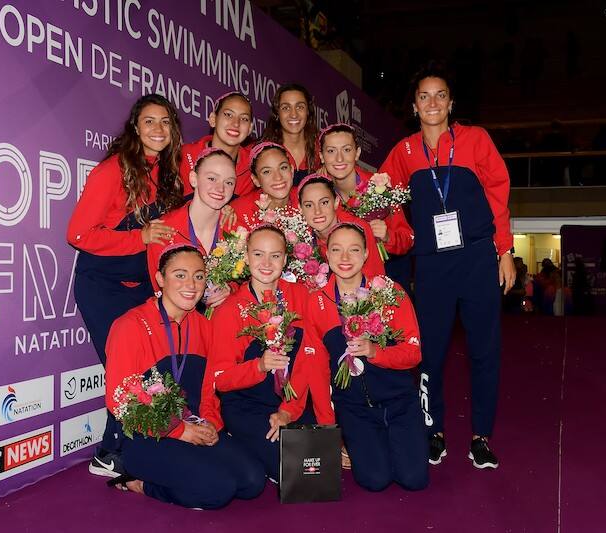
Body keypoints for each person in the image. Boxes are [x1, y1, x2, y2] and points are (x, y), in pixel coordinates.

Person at [379, 61, 515, 469]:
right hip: (432, 264)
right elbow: (382, 198)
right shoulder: (404, 151)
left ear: (451, 103)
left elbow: (499, 194)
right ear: (415, 106)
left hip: (476, 258)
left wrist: (504, 251)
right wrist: (403, 235)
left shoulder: (475, 140)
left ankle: (480, 437)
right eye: (424, 96)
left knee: (484, 351)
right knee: (430, 352)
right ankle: (432, 430)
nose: (433, 102)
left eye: (440, 95)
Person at [66, 94, 182, 477]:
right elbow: (79, 234)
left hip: (141, 287)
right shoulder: (112, 171)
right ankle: (110, 453)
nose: (158, 129)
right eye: (149, 121)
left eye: (165, 122)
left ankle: (126, 448)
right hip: (101, 284)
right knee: (125, 369)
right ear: (135, 128)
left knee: (144, 368)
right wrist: (140, 238)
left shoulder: (168, 174)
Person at [104, 244, 265, 509]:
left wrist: (211, 423)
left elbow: (208, 388)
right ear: (160, 279)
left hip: (192, 427)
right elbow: (119, 401)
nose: (191, 284)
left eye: (199, 276)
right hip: (148, 439)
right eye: (180, 275)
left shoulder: (203, 326)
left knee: (252, 482)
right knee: (218, 490)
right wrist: (178, 430)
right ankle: (140, 483)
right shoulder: (129, 326)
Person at [293, 223, 428, 492]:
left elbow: (414, 353)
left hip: (399, 402)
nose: (345, 259)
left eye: (354, 250)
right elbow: (316, 368)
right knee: (374, 480)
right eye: (337, 250)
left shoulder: (389, 293)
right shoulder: (316, 302)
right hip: (354, 408)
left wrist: (376, 352)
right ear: (326, 255)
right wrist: (328, 426)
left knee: (414, 479)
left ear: (366, 253)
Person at [209, 225, 333, 482]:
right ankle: (245, 442)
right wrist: (259, 366)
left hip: (291, 402)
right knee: (297, 475)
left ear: (285, 260)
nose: (266, 263)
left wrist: (290, 411)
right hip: (246, 406)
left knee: (318, 473)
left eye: (275, 255)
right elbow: (221, 379)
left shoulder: (301, 297)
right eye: (258, 254)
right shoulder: (229, 310)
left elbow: (310, 361)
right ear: (246, 256)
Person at [319, 123, 414, 289]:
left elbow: (407, 239)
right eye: (331, 151)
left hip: (388, 274)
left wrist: (386, 237)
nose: (339, 158)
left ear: (357, 153)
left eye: (347, 150)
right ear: (321, 157)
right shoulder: (320, 194)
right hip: (344, 281)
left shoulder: (380, 187)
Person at [146, 148, 238, 312]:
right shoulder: (164, 230)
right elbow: (160, 292)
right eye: (212, 178)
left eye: (229, 182)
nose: (221, 188)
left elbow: (248, 281)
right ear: (193, 179)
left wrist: (231, 289)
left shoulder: (235, 227)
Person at [297, 174, 385, 278]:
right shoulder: (300, 238)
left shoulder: (358, 229)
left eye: (324, 202)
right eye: (309, 205)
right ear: (300, 209)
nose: (317, 211)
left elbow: (375, 275)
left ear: (336, 202)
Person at [180, 91, 256, 199]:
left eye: (244, 119)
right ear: (213, 119)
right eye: (228, 115)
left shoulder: (254, 167)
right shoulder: (182, 156)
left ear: (249, 129)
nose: (236, 123)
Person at [230, 142, 299, 228]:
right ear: (256, 180)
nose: (278, 177)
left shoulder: (306, 198)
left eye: (283, 168)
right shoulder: (237, 212)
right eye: (267, 172)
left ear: (291, 171)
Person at [262, 84, 320, 185]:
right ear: (277, 113)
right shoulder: (262, 152)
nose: (293, 114)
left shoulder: (323, 148)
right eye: (286, 108)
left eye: (300, 107)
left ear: (308, 111)